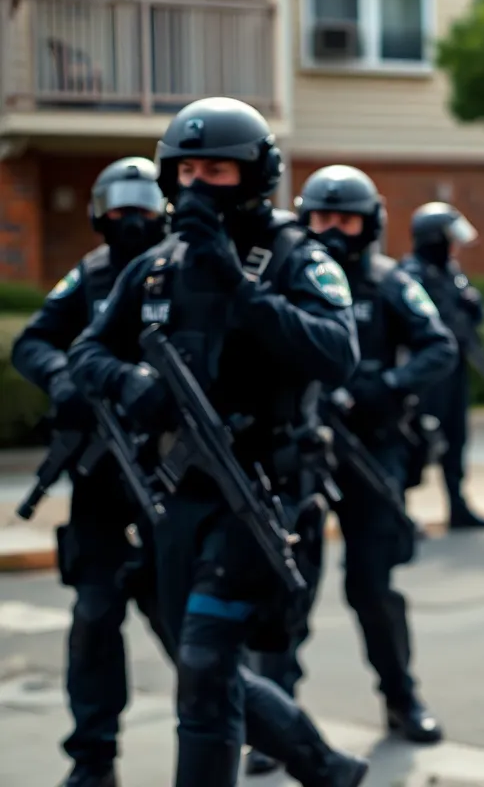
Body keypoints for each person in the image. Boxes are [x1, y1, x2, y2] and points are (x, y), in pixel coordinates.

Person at [66, 97, 367, 787]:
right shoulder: (158, 266)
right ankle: (324, 767)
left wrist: (238, 286)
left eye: (219, 170)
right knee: (200, 665)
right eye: (189, 169)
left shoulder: (297, 256)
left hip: (259, 495)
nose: (201, 184)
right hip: (178, 500)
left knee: (203, 666)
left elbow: (335, 352)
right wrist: (127, 382)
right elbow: (86, 350)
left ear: (256, 176)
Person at [244, 165, 454, 776]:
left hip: (373, 452)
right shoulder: (287, 279)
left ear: (370, 224)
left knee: (372, 587)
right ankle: (273, 725)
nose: (332, 230)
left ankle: (401, 699)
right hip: (301, 452)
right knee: (288, 588)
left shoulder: (389, 281)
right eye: (321, 218)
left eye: (346, 219)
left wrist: (385, 387)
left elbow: (438, 345)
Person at [12, 157, 171, 787]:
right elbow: (33, 342)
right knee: (95, 617)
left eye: (143, 206)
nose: (130, 218)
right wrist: (61, 377)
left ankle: (226, 736)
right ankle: (93, 758)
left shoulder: (178, 271)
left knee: (188, 625)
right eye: (118, 207)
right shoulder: (91, 274)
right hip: (100, 486)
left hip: (170, 477)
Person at [401, 202, 484, 529]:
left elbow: (471, 315)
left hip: (454, 369)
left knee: (456, 438)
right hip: (425, 373)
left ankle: (457, 507)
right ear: (434, 238)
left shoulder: (451, 271)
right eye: (449, 238)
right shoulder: (410, 274)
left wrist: (473, 305)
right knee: (416, 439)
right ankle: (400, 514)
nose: (454, 245)